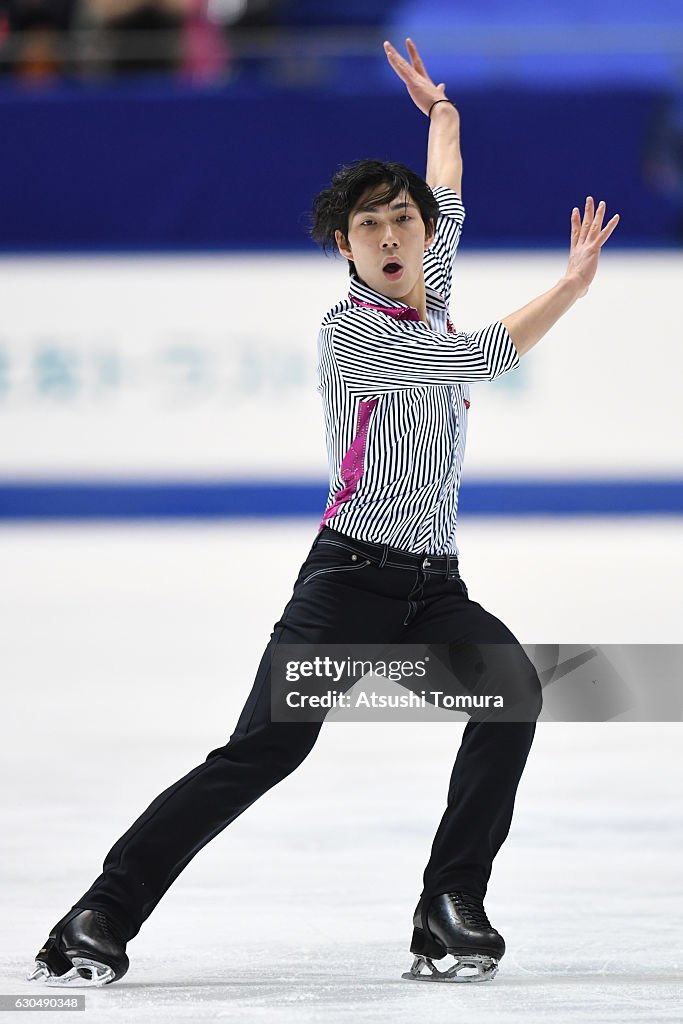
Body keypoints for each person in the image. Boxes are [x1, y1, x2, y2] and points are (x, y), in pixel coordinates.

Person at [27, 38, 619, 987]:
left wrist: (443, 119)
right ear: (341, 246)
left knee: (510, 694)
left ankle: (448, 905)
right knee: (263, 752)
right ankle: (99, 913)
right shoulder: (352, 334)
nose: (389, 236)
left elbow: (448, 194)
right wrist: (569, 287)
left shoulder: (428, 283)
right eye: (366, 226)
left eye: (401, 222)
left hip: (434, 592)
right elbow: (478, 360)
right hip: (346, 585)